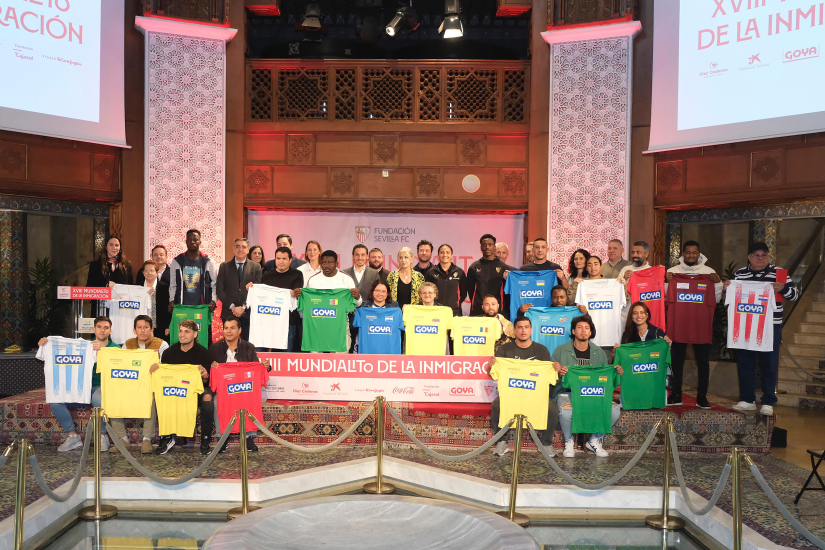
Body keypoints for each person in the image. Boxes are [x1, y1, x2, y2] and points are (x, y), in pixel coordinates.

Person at [724, 242, 798, 415]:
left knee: (769, 364)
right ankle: (747, 399)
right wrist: (728, 288)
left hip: (770, 327)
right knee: (745, 364)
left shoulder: (779, 273)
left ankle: (768, 402)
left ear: (769, 256)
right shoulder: (740, 274)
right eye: (756, 255)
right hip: (744, 326)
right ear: (749, 257)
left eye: (764, 255)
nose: (760, 258)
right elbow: (733, 299)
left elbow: (794, 295)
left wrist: (784, 287)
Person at [40, 317, 119, 452]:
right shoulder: (83, 344)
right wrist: (47, 343)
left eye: (106, 327)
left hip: (100, 386)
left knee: (98, 399)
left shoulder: (116, 348)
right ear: (94, 329)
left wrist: (102, 353)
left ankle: (103, 435)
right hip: (79, 386)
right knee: (55, 400)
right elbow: (63, 346)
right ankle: (73, 437)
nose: (102, 330)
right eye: (99, 327)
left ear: (110, 330)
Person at [487, 317, 561, 456]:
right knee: (497, 404)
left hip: (535, 395)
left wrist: (555, 368)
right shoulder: (504, 349)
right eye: (520, 327)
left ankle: (546, 443)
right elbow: (492, 373)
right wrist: (490, 365)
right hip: (511, 395)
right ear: (514, 331)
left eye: (526, 327)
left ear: (531, 330)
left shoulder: (541, 350)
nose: (523, 330)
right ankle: (501, 442)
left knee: (552, 407)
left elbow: (549, 376)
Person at [551, 316, 622, 458]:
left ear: (590, 332)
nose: (583, 331)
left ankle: (595, 439)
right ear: (573, 331)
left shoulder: (599, 353)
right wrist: (557, 372)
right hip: (567, 393)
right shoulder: (560, 350)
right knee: (566, 412)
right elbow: (550, 375)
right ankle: (569, 440)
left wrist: (617, 371)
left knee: (614, 410)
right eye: (579, 327)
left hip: (593, 394)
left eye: (586, 328)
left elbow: (605, 377)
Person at [665, 240, 723, 408]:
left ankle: (702, 397)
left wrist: (718, 282)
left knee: (703, 363)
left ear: (699, 254)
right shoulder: (672, 273)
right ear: (683, 254)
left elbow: (716, 299)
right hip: (679, 325)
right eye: (688, 252)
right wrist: (667, 281)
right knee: (676, 362)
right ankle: (676, 394)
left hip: (701, 326)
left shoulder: (709, 273)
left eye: (694, 252)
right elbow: (665, 297)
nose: (691, 255)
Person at [209, 317, 268, 454]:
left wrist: (265, 366)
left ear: (239, 330)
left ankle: (248, 437)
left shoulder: (249, 347)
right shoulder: (215, 348)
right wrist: (211, 366)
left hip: (244, 388)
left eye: (232, 328)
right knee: (217, 401)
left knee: (249, 399)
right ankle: (222, 438)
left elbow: (256, 367)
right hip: (225, 388)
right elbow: (208, 371)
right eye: (226, 328)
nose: (228, 331)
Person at [154, 319, 214, 455]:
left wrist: (205, 375)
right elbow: (164, 376)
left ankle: (205, 439)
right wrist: (155, 368)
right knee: (161, 396)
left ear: (195, 334)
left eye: (187, 331)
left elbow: (208, 380)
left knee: (208, 398)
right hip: (175, 388)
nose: (182, 335)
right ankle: (166, 437)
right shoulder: (169, 353)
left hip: (196, 389)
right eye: (180, 331)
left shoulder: (204, 353)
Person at [110, 315, 167, 454]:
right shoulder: (127, 344)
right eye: (140, 327)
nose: (143, 331)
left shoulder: (162, 345)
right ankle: (122, 439)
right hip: (131, 385)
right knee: (112, 398)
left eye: (146, 327)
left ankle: (147, 439)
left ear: (151, 329)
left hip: (151, 385)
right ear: (134, 330)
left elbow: (167, 367)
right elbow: (121, 366)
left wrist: (158, 365)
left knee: (152, 397)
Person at [256, 246, 304, 352]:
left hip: (288, 322)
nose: (281, 261)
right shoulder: (267, 276)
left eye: (284, 258)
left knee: (284, 356)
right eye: (278, 258)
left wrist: (295, 292)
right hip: (268, 320)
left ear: (290, 260)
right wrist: (252, 288)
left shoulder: (297, 274)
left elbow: (297, 293)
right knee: (261, 353)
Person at [216, 238, 262, 339]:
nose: (240, 249)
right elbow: (220, 290)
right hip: (229, 312)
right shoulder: (224, 266)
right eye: (237, 246)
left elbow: (258, 291)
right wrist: (233, 307)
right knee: (229, 344)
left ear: (248, 249)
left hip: (248, 312)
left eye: (243, 247)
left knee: (247, 345)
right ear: (233, 249)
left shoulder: (256, 267)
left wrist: (244, 307)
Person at [168, 229, 217, 314]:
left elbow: (214, 284)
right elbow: (173, 284)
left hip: (202, 307)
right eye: (189, 239)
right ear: (186, 242)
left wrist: (213, 301)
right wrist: (171, 301)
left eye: (195, 239)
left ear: (200, 242)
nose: (192, 242)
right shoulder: (177, 261)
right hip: (182, 307)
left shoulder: (208, 262)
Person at [343, 244, 380, 351]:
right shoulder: (345, 273)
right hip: (349, 316)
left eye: (363, 255)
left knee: (366, 344)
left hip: (368, 316)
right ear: (352, 256)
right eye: (357, 255)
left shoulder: (374, 274)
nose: (360, 257)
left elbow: (376, 294)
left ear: (367, 256)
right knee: (349, 345)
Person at [467, 234, 515, 317]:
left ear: (494, 247)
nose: (487, 247)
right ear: (481, 248)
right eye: (484, 245)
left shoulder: (504, 268)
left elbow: (509, 292)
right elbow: (470, 290)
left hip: (498, 313)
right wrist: (478, 303)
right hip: (478, 312)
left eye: (490, 244)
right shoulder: (474, 267)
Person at [87, 235, 133, 316]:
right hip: (101, 307)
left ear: (120, 248)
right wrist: (104, 286)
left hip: (121, 308)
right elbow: (89, 287)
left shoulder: (126, 265)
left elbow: (131, 286)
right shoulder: (96, 265)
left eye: (117, 245)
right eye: (111, 245)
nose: (114, 248)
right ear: (105, 247)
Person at [425, 244, 468, 317]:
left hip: (454, 312)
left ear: (452, 255)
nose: (445, 255)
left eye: (447, 252)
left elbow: (463, 293)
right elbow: (426, 291)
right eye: (442, 252)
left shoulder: (459, 272)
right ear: (438, 256)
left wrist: (456, 304)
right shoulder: (431, 273)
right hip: (435, 311)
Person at [140, 260, 171, 341]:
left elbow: (167, 309)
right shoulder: (138, 288)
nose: (149, 273)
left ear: (157, 272)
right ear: (143, 272)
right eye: (146, 270)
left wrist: (167, 326)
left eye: (152, 270)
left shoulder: (164, 287)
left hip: (160, 326)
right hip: (141, 327)